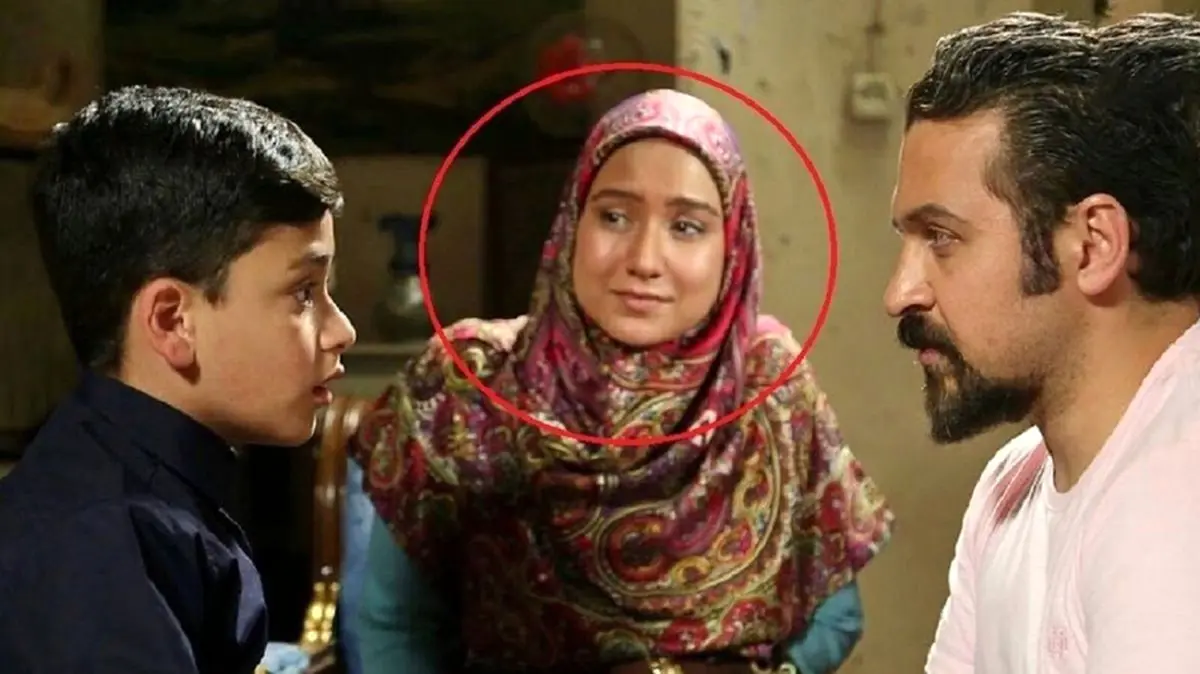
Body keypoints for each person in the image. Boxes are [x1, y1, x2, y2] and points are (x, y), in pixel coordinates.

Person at [347, 88, 894, 674]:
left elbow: (834, 618)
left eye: (686, 226)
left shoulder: (770, 384)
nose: (644, 260)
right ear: (572, 220)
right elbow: (393, 624)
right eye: (614, 216)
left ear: (732, 247)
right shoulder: (468, 380)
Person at [0, 85, 357, 674]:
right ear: (172, 321)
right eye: (303, 292)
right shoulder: (102, 548)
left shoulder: (146, 486)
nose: (341, 330)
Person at [885, 11, 1200, 674]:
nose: (901, 292)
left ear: (1092, 245)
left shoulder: (1177, 502)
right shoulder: (1013, 480)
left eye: (941, 237)